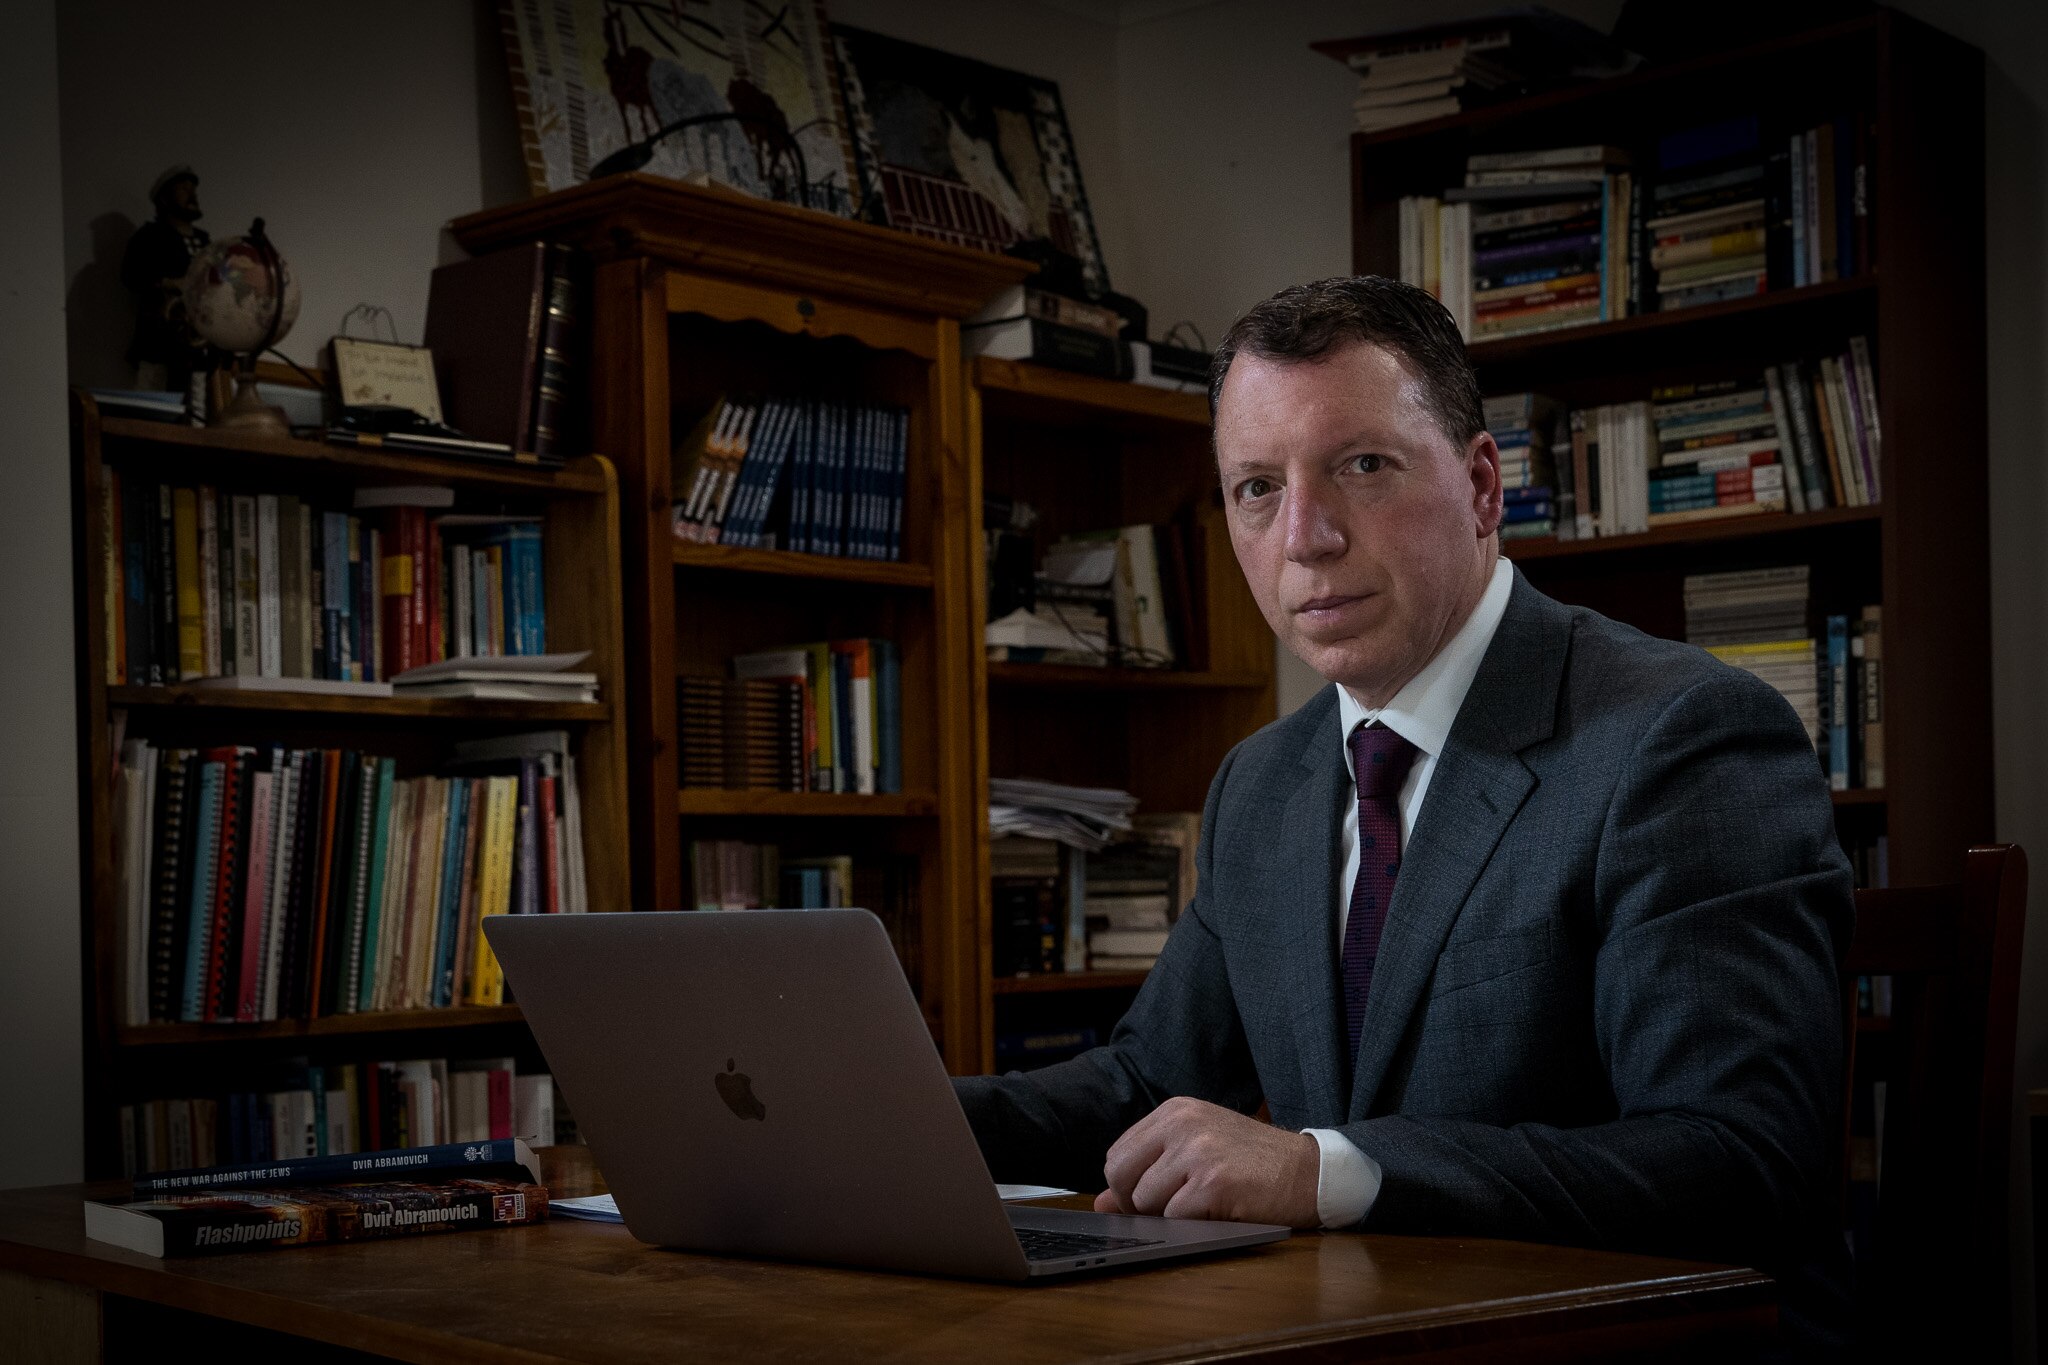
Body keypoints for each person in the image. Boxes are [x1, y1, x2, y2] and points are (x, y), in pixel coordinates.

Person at [954, 276, 1852, 1351]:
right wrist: (879, 1119)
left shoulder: (1681, 738)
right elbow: (1142, 1086)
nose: (1304, 537)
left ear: (1481, 485)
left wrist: (1322, 1170)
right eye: (1253, 487)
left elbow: (1739, 1160)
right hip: (1351, 1334)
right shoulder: (1262, 782)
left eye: (1360, 467)